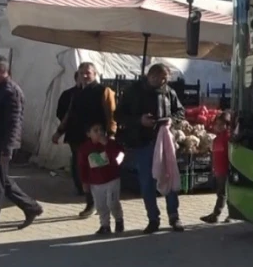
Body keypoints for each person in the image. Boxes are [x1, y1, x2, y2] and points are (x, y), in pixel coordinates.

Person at [115, 63, 186, 233]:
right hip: (142, 143)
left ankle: (174, 216)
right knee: (147, 182)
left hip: (164, 141)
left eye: (164, 78)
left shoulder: (169, 91)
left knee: (169, 177)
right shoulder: (133, 91)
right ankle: (153, 219)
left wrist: (171, 121)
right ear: (149, 75)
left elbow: (180, 112)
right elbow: (118, 115)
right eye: (158, 77)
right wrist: (139, 120)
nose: (161, 81)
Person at [0, 55, 44, 236]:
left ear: (0, 71)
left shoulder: (10, 92)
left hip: (0, 146)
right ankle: (31, 207)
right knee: (2, 180)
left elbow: (14, 123)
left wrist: (7, 149)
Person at [53, 63, 117, 218]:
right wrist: (59, 132)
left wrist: (111, 135)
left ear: (95, 74)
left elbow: (111, 115)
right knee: (83, 172)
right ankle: (92, 202)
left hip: (96, 139)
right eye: (82, 73)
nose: (84, 76)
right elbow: (69, 114)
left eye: (88, 73)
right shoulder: (76, 93)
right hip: (77, 138)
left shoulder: (104, 91)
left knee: (96, 171)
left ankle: (95, 203)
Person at [77, 123, 125, 235]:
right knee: (100, 205)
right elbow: (82, 166)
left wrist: (107, 145)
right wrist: (85, 182)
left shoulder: (111, 144)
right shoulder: (85, 149)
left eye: (101, 130)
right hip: (96, 182)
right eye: (95, 130)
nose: (99, 133)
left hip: (112, 179)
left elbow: (118, 156)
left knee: (112, 202)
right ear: (89, 134)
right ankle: (105, 225)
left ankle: (118, 219)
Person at [201, 110, 232, 224]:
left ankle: (222, 215)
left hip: (226, 170)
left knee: (225, 194)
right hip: (219, 171)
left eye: (221, 124)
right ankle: (217, 214)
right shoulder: (216, 139)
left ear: (227, 125)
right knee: (221, 193)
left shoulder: (227, 138)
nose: (218, 127)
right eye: (217, 124)